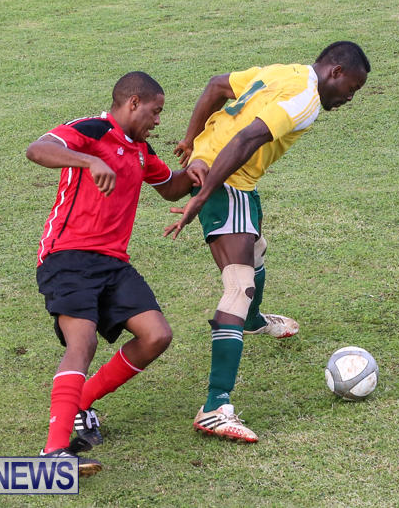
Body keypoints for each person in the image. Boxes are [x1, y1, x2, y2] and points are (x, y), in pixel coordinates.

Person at [164, 41, 370, 443]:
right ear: (336, 72)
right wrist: (202, 198)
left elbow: (217, 85)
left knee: (256, 248)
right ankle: (215, 407)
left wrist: (191, 140)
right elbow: (246, 140)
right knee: (239, 287)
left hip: (228, 174)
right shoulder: (306, 99)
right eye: (352, 89)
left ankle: (254, 322)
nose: (350, 98)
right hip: (225, 180)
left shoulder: (285, 72)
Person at [26, 71, 202, 475]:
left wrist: (197, 170)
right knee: (83, 341)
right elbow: (38, 150)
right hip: (67, 256)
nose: (158, 120)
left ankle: (80, 402)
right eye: (155, 111)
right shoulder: (91, 130)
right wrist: (89, 160)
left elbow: (169, 187)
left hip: (113, 263)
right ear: (133, 102)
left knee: (156, 335)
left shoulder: (140, 150)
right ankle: (54, 453)